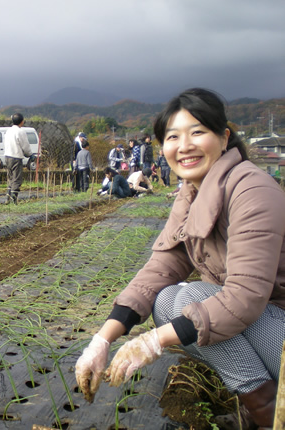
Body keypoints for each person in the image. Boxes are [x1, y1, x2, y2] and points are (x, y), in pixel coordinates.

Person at [74, 88, 283, 430]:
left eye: (197, 132)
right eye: (173, 136)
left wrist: (155, 341)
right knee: (167, 300)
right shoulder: (192, 192)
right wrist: (103, 339)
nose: (184, 146)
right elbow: (162, 266)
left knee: (186, 299)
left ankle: (270, 415)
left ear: (224, 137)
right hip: (263, 325)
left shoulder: (252, 189)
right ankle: (262, 410)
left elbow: (246, 296)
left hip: (279, 329)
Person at [4, 113, 33, 205]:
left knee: (11, 177)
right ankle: (14, 200)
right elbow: (25, 145)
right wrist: (30, 154)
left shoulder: (8, 131)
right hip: (16, 157)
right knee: (17, 178)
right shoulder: (21, 132)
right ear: (22, 121)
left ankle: (8, 198)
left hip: (7, 156)